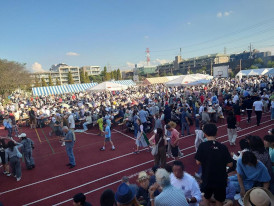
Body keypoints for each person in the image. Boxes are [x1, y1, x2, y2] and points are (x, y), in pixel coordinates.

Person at [195, 123, 233, 206]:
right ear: (216, 133)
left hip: (207, 177)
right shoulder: (223, 147)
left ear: (204, 134)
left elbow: (198, 162)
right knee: (219, 200)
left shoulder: (202, 146)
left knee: (206, 197)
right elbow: (230, 164)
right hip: (221, 179)